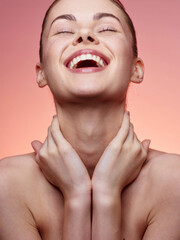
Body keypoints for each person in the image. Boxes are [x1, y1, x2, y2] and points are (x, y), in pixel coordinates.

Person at [0, 0, 180, 239]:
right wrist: (78, 195)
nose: (85, 35)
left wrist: (106, 194)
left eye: (106, 28)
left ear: (136, 69)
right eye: (64, 30)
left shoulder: (174, 182)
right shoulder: (7, 186)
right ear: (41, 73)